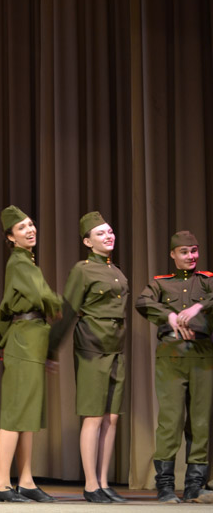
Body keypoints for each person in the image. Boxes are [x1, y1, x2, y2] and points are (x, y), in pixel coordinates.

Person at [50, 212, 129, 503]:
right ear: (87, 241)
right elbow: (67, 309)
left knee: (112, 418)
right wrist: (51, 349)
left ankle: (105, 481)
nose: (109, 236)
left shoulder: (116, 270)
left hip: (116, 347)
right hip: (92, 346)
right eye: (101, 233)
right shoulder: (82, 270)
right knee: (94, 416)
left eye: (110, 231)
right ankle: (91, 484)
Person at [0, 205, 62, 503]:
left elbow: (7, 308)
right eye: (22, 228)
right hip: (24, 340)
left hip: (32, 339)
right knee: (15, 412)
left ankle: (27, 480)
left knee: (28, 414)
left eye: (31, 224)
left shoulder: (27, 262)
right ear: (11, 237)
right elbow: (39, 296)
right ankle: (2, 483)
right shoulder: (19, 263)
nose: (30, 230)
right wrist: (62, 305)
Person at [135, 230, 213, 504]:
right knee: (170, 420)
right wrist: (168, 315)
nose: (190, 256)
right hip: (171, 354)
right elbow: (142, 302)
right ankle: (165, 486)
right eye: (184, 251)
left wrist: (198, 308)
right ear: (172, 255)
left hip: (203, 355)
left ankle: (195, 486)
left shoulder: (207, 282)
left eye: (194, 250)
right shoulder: (161, 284)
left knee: (200, 422)